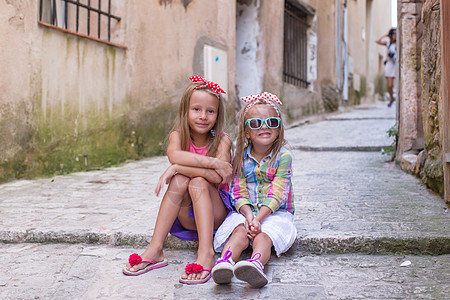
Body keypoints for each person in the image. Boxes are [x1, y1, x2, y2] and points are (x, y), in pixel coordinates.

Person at [122, 75, 233, 285]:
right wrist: (202, 165)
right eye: (196, 109)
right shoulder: (178, 136)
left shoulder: (223, 140)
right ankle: (155, 249)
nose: (203, 116)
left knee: (196, 181)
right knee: (179, 181)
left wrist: (179, 167)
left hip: (215, 215)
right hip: (187, 217)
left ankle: (206, 252)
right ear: (185, 111)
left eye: (210, 111)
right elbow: (175, 156)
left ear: (217, 115)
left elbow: (219, 177)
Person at [211, 92, 296, 288]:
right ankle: (225, 263)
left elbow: (278, 194)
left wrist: (258, 220)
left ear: (278, 129)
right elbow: (238, 191)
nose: (265, 126)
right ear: (247, 131)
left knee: (263, 236)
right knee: (239, 232)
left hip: (275, 213)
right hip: (246, 212)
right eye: (256, 123)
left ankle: (255, 264)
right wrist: (249, 216)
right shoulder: (240, 157)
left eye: (272, 122)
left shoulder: (283, 157)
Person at [376, 28, 397, 107]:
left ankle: (396, 98)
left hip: (396, 64)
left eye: (396, 33)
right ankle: (391, 98)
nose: (394, 35)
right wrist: (385, 35)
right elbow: (377, 41)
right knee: (389, 85)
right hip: (389, 64)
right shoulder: (388, 43)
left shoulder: (399, 43)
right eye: (393, 33)